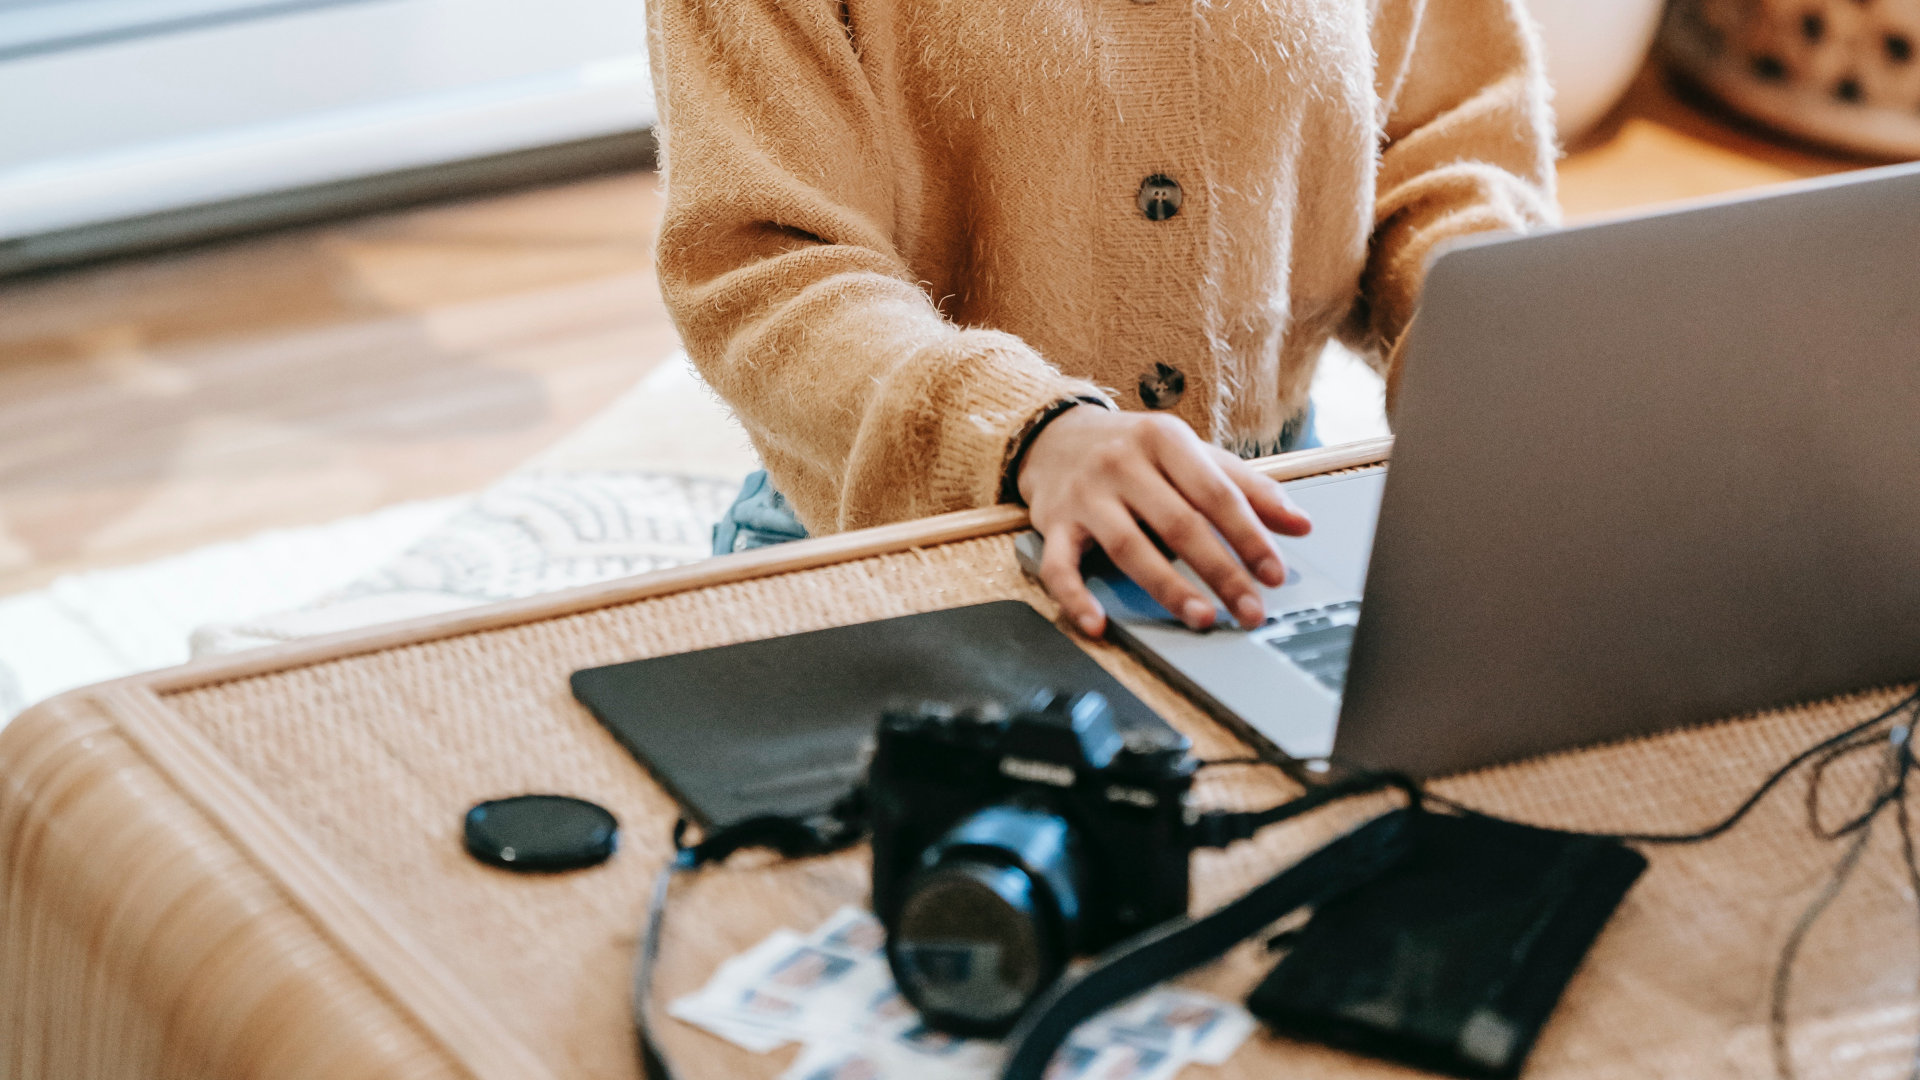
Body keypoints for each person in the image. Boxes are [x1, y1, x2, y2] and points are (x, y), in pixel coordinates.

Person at [650, 0, 1556, 637]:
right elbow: (768, 259)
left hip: (1264, 525)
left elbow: (1440, 155)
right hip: (899, 523)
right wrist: (1030, 433)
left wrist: (1492, 344)